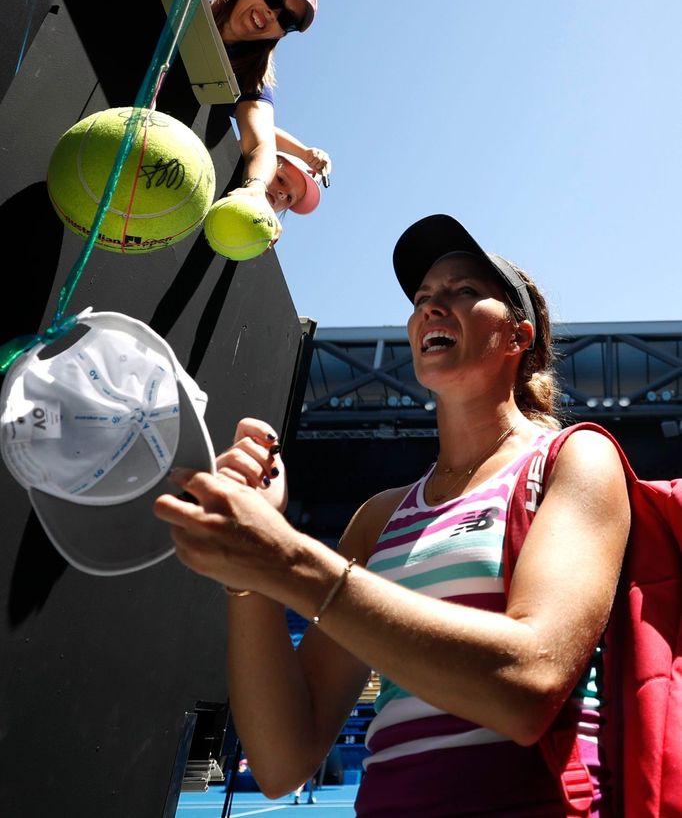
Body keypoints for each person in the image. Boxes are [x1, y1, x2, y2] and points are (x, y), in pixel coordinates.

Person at [154, 214, 631, 816]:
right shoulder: (379, 518)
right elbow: (282, 760)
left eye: (461, 291)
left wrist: (287, 557)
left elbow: (528, 687)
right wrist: (250, 577)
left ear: (519, 338)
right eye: (424, 298)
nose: (432, 307)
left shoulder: (575, 457)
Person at [209, 0, 331, 241]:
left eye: (286, 20)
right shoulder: (189, 1)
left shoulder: (252, 81)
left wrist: (254, 190)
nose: (273, 14)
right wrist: (303, 152)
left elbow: (261, 141)